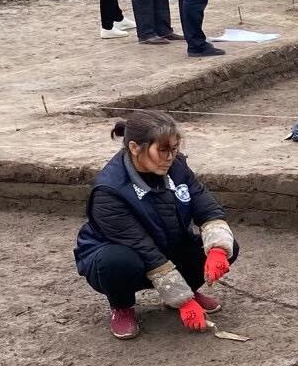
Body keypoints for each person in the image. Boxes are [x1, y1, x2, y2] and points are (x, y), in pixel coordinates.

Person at [73, 111, 239, 341]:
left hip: (167, 244)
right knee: (117, 261)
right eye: (163, 150)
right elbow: (142, 247)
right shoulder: (109, 191)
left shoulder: (177, 166)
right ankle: (122, 307)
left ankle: (188, 290)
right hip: (130, 256)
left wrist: (218, 249)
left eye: (174, 148)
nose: (170, 157)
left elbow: (205, 204)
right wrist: (183, 300)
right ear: (134, 147)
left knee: (224, 244)